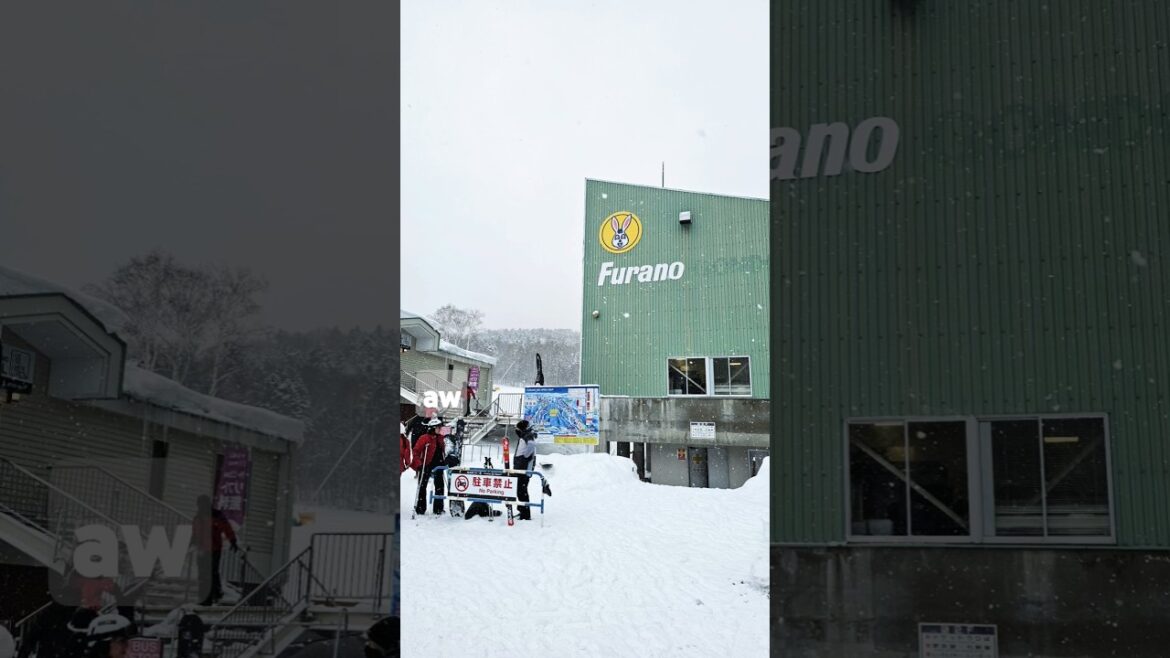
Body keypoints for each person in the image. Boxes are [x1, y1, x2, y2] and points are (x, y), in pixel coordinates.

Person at [192, 495, 238, 606]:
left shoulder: (217, 515)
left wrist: (232, 540)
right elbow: (195, 533)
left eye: (203, 504)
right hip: (202, 550)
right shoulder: (197, 518)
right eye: (200, 504)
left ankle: (208, 597)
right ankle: (213, 593)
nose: (201, 506)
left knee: (210, 573)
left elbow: (226, 528)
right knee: (204, 574)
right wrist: (192, 543)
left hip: (214, 549)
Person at [410, 418, 446, 515]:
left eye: (440, 427)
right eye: (438, 427)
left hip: (439, 464)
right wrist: (418, 463)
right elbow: (416, 451)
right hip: (426, 464)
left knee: (440, 486)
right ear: (433, 428)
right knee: (422, 486)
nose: (440, 429)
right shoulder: (424, 438)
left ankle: (438, 508)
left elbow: (444, 449)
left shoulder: (440, 438)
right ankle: (421, 507)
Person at [512, 420, 538, 521]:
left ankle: (525, 514)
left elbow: (531, 445)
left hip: (523, 467)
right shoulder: (526, 435)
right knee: (520, 490)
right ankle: (522, 510)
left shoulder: (527, 435)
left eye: (517, 429)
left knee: (522, 490)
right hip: (521, 466)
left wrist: (525, 457)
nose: (516, 431)